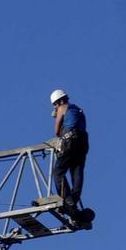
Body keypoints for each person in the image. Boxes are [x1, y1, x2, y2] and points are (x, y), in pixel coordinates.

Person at [49, 88, 89, 218]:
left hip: (70, 141)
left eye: (55, 104)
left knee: (58, 171)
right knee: (77, 172)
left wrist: (58, 118)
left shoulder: (62, 108)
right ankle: (73, 200)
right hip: (83, 142)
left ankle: (66, 199)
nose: (55, 107)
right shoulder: (78, 109)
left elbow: (56, 131)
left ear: (59, 101)